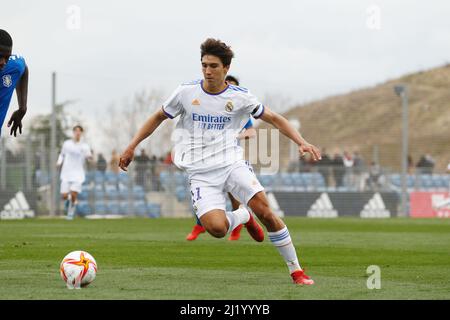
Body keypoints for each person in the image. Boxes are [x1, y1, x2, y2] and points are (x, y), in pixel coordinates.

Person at [119, 38, 321, 285]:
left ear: (226, 68)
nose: (207, 71)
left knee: (266, 213)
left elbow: (276, 119)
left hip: (231, 164)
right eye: (204, 65)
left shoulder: (240, 97)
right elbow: (158, 116)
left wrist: (301, 141)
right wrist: (131, 146)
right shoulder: (186, 92)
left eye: (213, 66)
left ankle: (296, 271)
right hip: (200, 173)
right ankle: (243, 216)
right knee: (216, 229)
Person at [186, 75, 257, 241]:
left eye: (232, 86)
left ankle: (237, 228)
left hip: (229, 161)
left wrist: (235, 136)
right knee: (205, 196)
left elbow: (251, 131)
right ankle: (199, 226)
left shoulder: (239, 112)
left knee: (234, 197)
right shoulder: (211, 109)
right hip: (205, 161)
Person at [57, 125, 92, 220]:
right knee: (64, 196)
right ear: (73, 132)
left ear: (81, 133)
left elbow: (89, 157)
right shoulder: (67, 144)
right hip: (66, 173)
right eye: (76, 131)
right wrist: (59, 162)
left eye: (79, 131)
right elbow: (62, 154)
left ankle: (70, 212)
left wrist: (89, 157)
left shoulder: (85, 146)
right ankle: (69, 202)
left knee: (73, 194)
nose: (77, 132)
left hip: (78, 174)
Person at [0, 29, 29, 137]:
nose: (3, 62)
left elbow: (23, 68)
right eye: (0, 56)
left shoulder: (13, 66)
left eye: (7, 57)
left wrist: (22, 108)